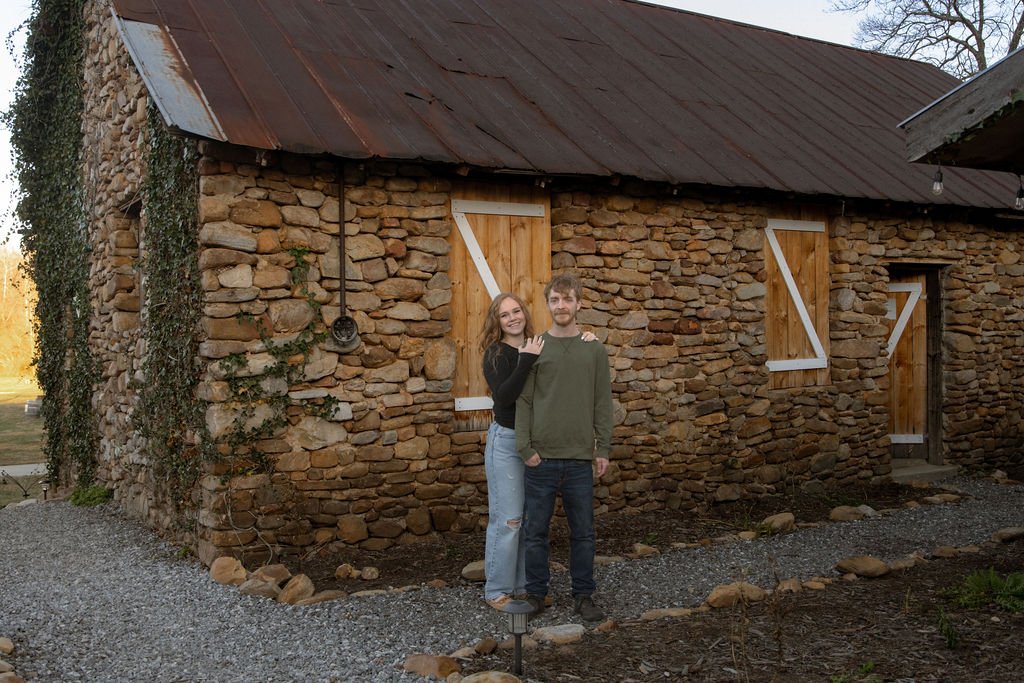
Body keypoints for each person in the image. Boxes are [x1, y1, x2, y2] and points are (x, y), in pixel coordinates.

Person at [479, 292, 597, 612]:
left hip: (535, 442)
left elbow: (568, 363)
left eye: (516, 311)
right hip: (506, 441)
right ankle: (497, 590)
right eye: (505, 315)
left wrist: (586, 339)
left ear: (525, 313)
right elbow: (505, 397)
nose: (513, 317)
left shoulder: (539, 343)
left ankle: (523, 586)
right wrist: (526, 359)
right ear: (497, 322)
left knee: (530, 520)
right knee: (508, 519)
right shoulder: (496, 353)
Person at [516, 272, 614, 622]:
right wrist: (525, 447)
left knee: (583, 532)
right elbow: (524, 402)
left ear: (578, 303)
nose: (561, 305)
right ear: (547, 305)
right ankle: (536, 596)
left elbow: (602, 401)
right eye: (555, 300)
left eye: (567, 299)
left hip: (578, 460)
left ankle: (584, 595)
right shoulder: (536, 348)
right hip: (541, 458)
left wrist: (602, 448)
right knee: (536, 531)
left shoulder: (594, 349)